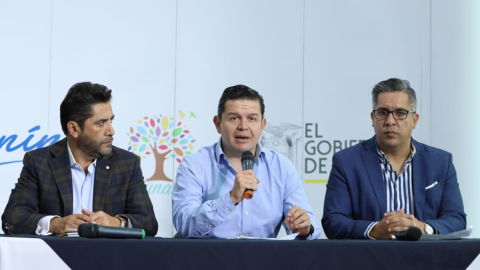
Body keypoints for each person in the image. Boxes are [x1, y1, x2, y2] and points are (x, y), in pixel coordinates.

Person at [2, 82, 158, 236]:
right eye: (101, 123)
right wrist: (55, 224)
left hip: (109, 256)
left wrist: (117, 222)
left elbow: (149, 222)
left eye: (111, 121)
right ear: (74, 129)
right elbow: (12, 219)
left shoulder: (127, 163)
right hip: (55, 257)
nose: (111, 131)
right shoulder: (39, 162)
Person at [322, 78, 466, 239]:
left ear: (415, 120)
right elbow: (333, 220)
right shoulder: (346, 162)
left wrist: (422, 228)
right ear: (373, 118)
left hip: (427, 261)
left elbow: (456, 219)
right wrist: (374, 230)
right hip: (368, 260)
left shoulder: (441, 162)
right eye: (382, 113)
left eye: (400, 113)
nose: (390, 121)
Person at [172, 85, 320, 239]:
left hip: (264, 260)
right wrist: (230, 199)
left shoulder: (281, 167)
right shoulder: (194, 165)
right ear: (218, 124)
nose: (243, 127)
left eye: (252, 119)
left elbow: (312, 227)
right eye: (234, 118)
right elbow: (184, 224)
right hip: (209, 259)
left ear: (262, 125)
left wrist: (304, 228)